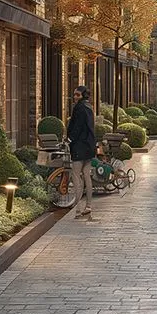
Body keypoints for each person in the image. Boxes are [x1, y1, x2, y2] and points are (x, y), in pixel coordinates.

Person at [67, 85, 96, 217]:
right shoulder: (90, 108)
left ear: (83, 95)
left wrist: (69, 139)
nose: (75, 97)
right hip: (89, 146)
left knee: (75, 175)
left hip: (79, 146)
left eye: (77, 95)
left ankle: (77, 208)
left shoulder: (79, 108)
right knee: (86, 176)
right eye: (74, 94)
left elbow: (77, 127)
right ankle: (89, 205)